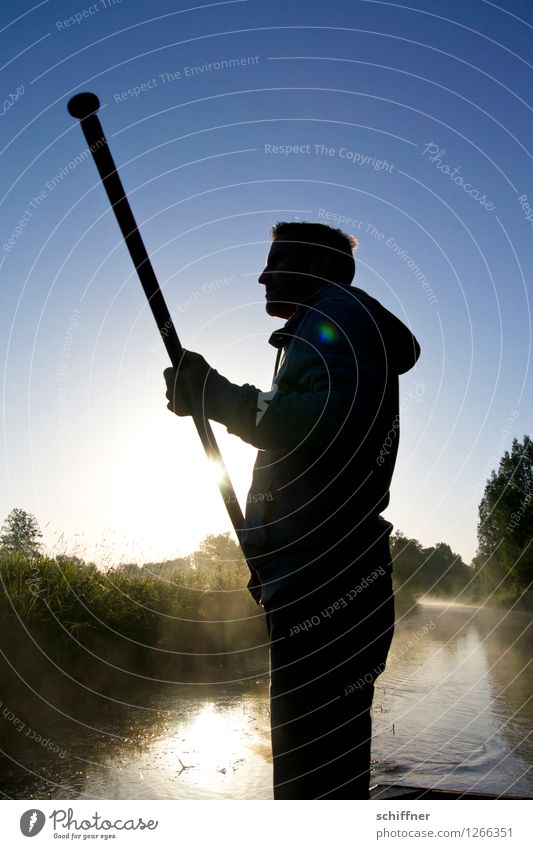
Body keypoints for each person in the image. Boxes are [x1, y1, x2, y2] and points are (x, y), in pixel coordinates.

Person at [164, 221, 421, 799]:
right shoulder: (325, 325)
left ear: (319, 267)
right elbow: (304, 441)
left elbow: (324, 423)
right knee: (322, 777)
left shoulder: (340, 314)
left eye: (277, 261)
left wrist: (215, 395)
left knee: (313, 785)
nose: (262, 274)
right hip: (320, 580)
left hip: (330, 588)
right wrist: (272, 562)